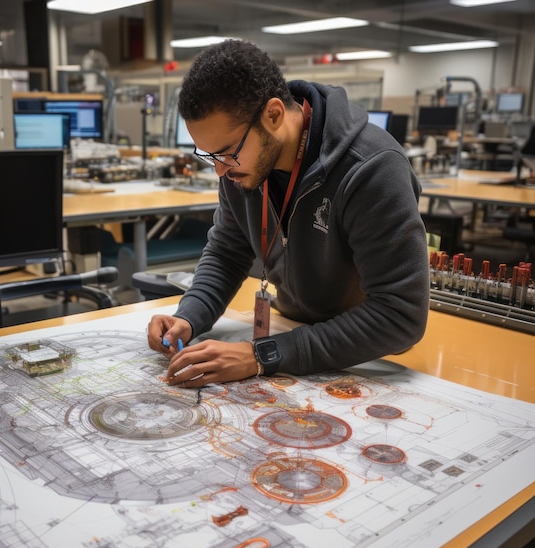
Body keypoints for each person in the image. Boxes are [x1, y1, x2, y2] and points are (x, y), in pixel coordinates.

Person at [147, 39, 429, 387]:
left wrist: (261, 355)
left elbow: (399, 315)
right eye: (209, 156)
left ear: (274, 115)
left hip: (367, 356)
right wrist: (189, 316)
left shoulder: (371, 168)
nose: (220, 172)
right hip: (293, 337)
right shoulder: (242, 168)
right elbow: (226, 252)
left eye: (226, 154)